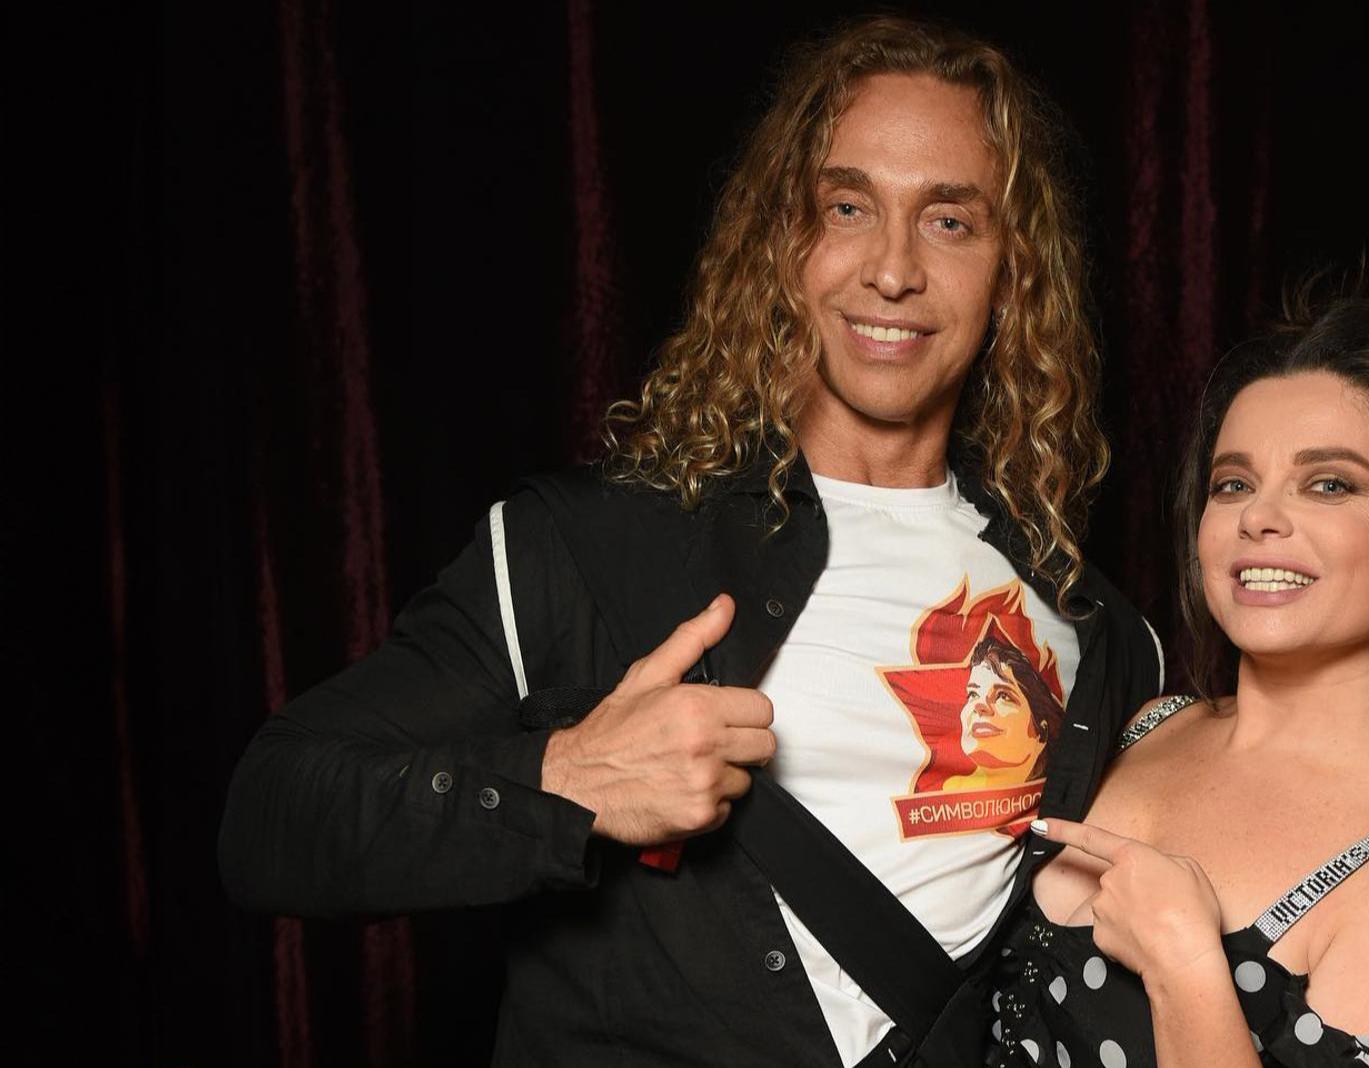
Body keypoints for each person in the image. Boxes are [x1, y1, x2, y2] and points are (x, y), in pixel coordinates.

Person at [218, 16, 1161, 1068]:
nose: (893, 270)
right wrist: (567, 780)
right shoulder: (588, 545)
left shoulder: (1092, 626)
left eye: (949, 221)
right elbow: (268, 820)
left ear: (1012, 272)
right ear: (780, 243)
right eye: (847, 207)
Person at [983, 280, 1369, 1066]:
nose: (1258, 517)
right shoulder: (1146, 722)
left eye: (1330, 484)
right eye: (1234, 484)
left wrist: (1186, 966)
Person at [946, 636, 1064, 791]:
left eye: (1003, 696)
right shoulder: (944, 791)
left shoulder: (1065, 792)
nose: (979, 705)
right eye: (973, 694)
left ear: (1041, 733)